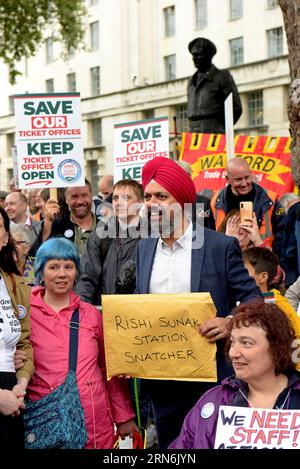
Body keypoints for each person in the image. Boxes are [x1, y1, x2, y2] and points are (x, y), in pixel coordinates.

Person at [136, 156, 261, 448]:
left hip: (212, 377)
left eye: (161, 196)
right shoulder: (143, 249)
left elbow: (254, 298)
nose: (152, 203)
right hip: (161, 381)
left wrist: (230, 322)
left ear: (181, 201)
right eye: (147, 196)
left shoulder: (219, 246)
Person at [25, 237, 138, 449]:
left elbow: (109, 369)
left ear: (76, 272)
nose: (61, 274)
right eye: (53, 267)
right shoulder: (26, 314)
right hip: (46, 421)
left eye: (68, 266)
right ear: (40, 272)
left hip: (94, 422)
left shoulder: (92, 315)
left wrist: (123, 416)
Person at [169, 301, 300, 449]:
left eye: (246, 343)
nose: (233, 353)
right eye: (232, 342)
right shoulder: (212, 402)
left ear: (277, 348)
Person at [75, 179, 144, 305]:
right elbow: (86, 278)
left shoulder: (152, 236)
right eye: (115, 198)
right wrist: (82, 311)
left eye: (126, 198)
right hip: (105, 315)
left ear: (140, 202)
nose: (119, 203)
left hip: (140, 314)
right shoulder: (100, 235)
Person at [0, 206, 34, 449]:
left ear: (4, 237)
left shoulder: (12, 282)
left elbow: (24, 343)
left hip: (13, 391)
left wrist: (20, 385)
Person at [209, 157, 286, 256]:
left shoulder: (270, 199)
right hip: (227, 259)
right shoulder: (215, 201)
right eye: (238, 180)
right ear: (227, 179)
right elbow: (210, 237)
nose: (244, 183)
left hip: (261, 260)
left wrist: (274, 257)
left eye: (247, 177)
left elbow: (284, 234)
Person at [242, 246, 300, 342]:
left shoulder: (278, 305)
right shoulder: (237, 299)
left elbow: (297, 335)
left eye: (244, 272)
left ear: (263, 276)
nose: (239, 275)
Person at [187, 37, 242, 133]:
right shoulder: (191, 82)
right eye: (193, 55)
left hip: (214, 133)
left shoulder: (222, 77)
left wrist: (220, 128)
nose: (195, 58)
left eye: (199, 55)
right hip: (193, 135)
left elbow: (236, 108)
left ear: (208, 56)